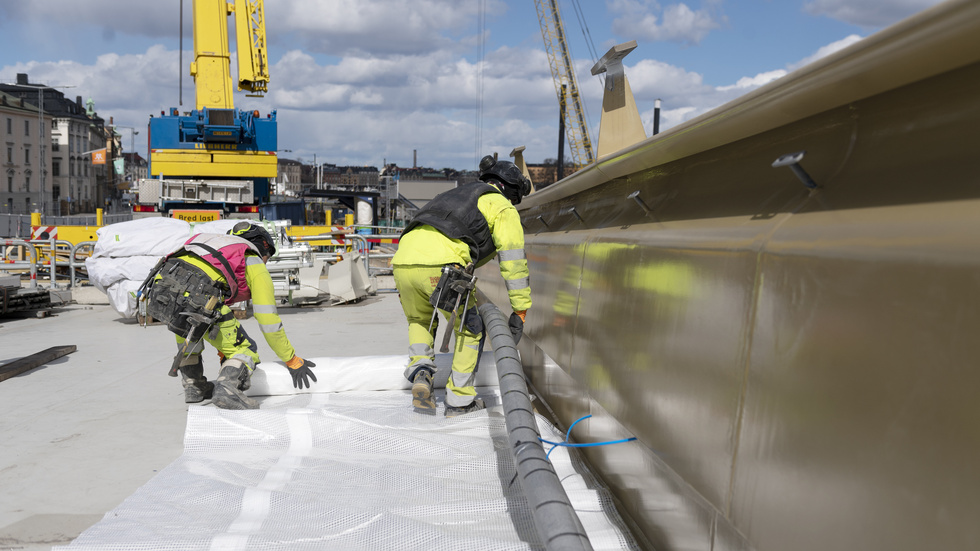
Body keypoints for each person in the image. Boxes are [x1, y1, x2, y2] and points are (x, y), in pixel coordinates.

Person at [392, 155, 532, 417]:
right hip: (441, 266)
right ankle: (460, 401)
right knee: (470, 329)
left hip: (402, 261)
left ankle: (422, 372)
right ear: (511, 190)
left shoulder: (458, 194)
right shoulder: (501, 206)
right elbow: (513, 260)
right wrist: (520, 309)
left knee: (419, 320)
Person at [141, 221, 316, 409]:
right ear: (263, 246)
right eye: (267, 258)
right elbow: (267, 318)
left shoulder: (213, 244)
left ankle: (194, 386)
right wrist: (291, 359)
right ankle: (228, 390)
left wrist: (223, 346)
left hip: (163, 291)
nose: (265, 263)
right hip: (199, 297)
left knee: (189, 333)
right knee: (245, 350)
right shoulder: (251, 258)